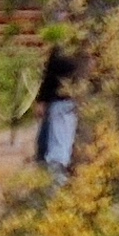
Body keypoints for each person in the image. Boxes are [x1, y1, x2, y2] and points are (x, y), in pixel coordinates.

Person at [32, 45, 80, 182]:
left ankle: (55, 187)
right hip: (64, 101)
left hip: (62, 101)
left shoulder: (65, 47)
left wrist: (42, 99)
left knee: (57, 151)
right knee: (50, 147)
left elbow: (53, 73)